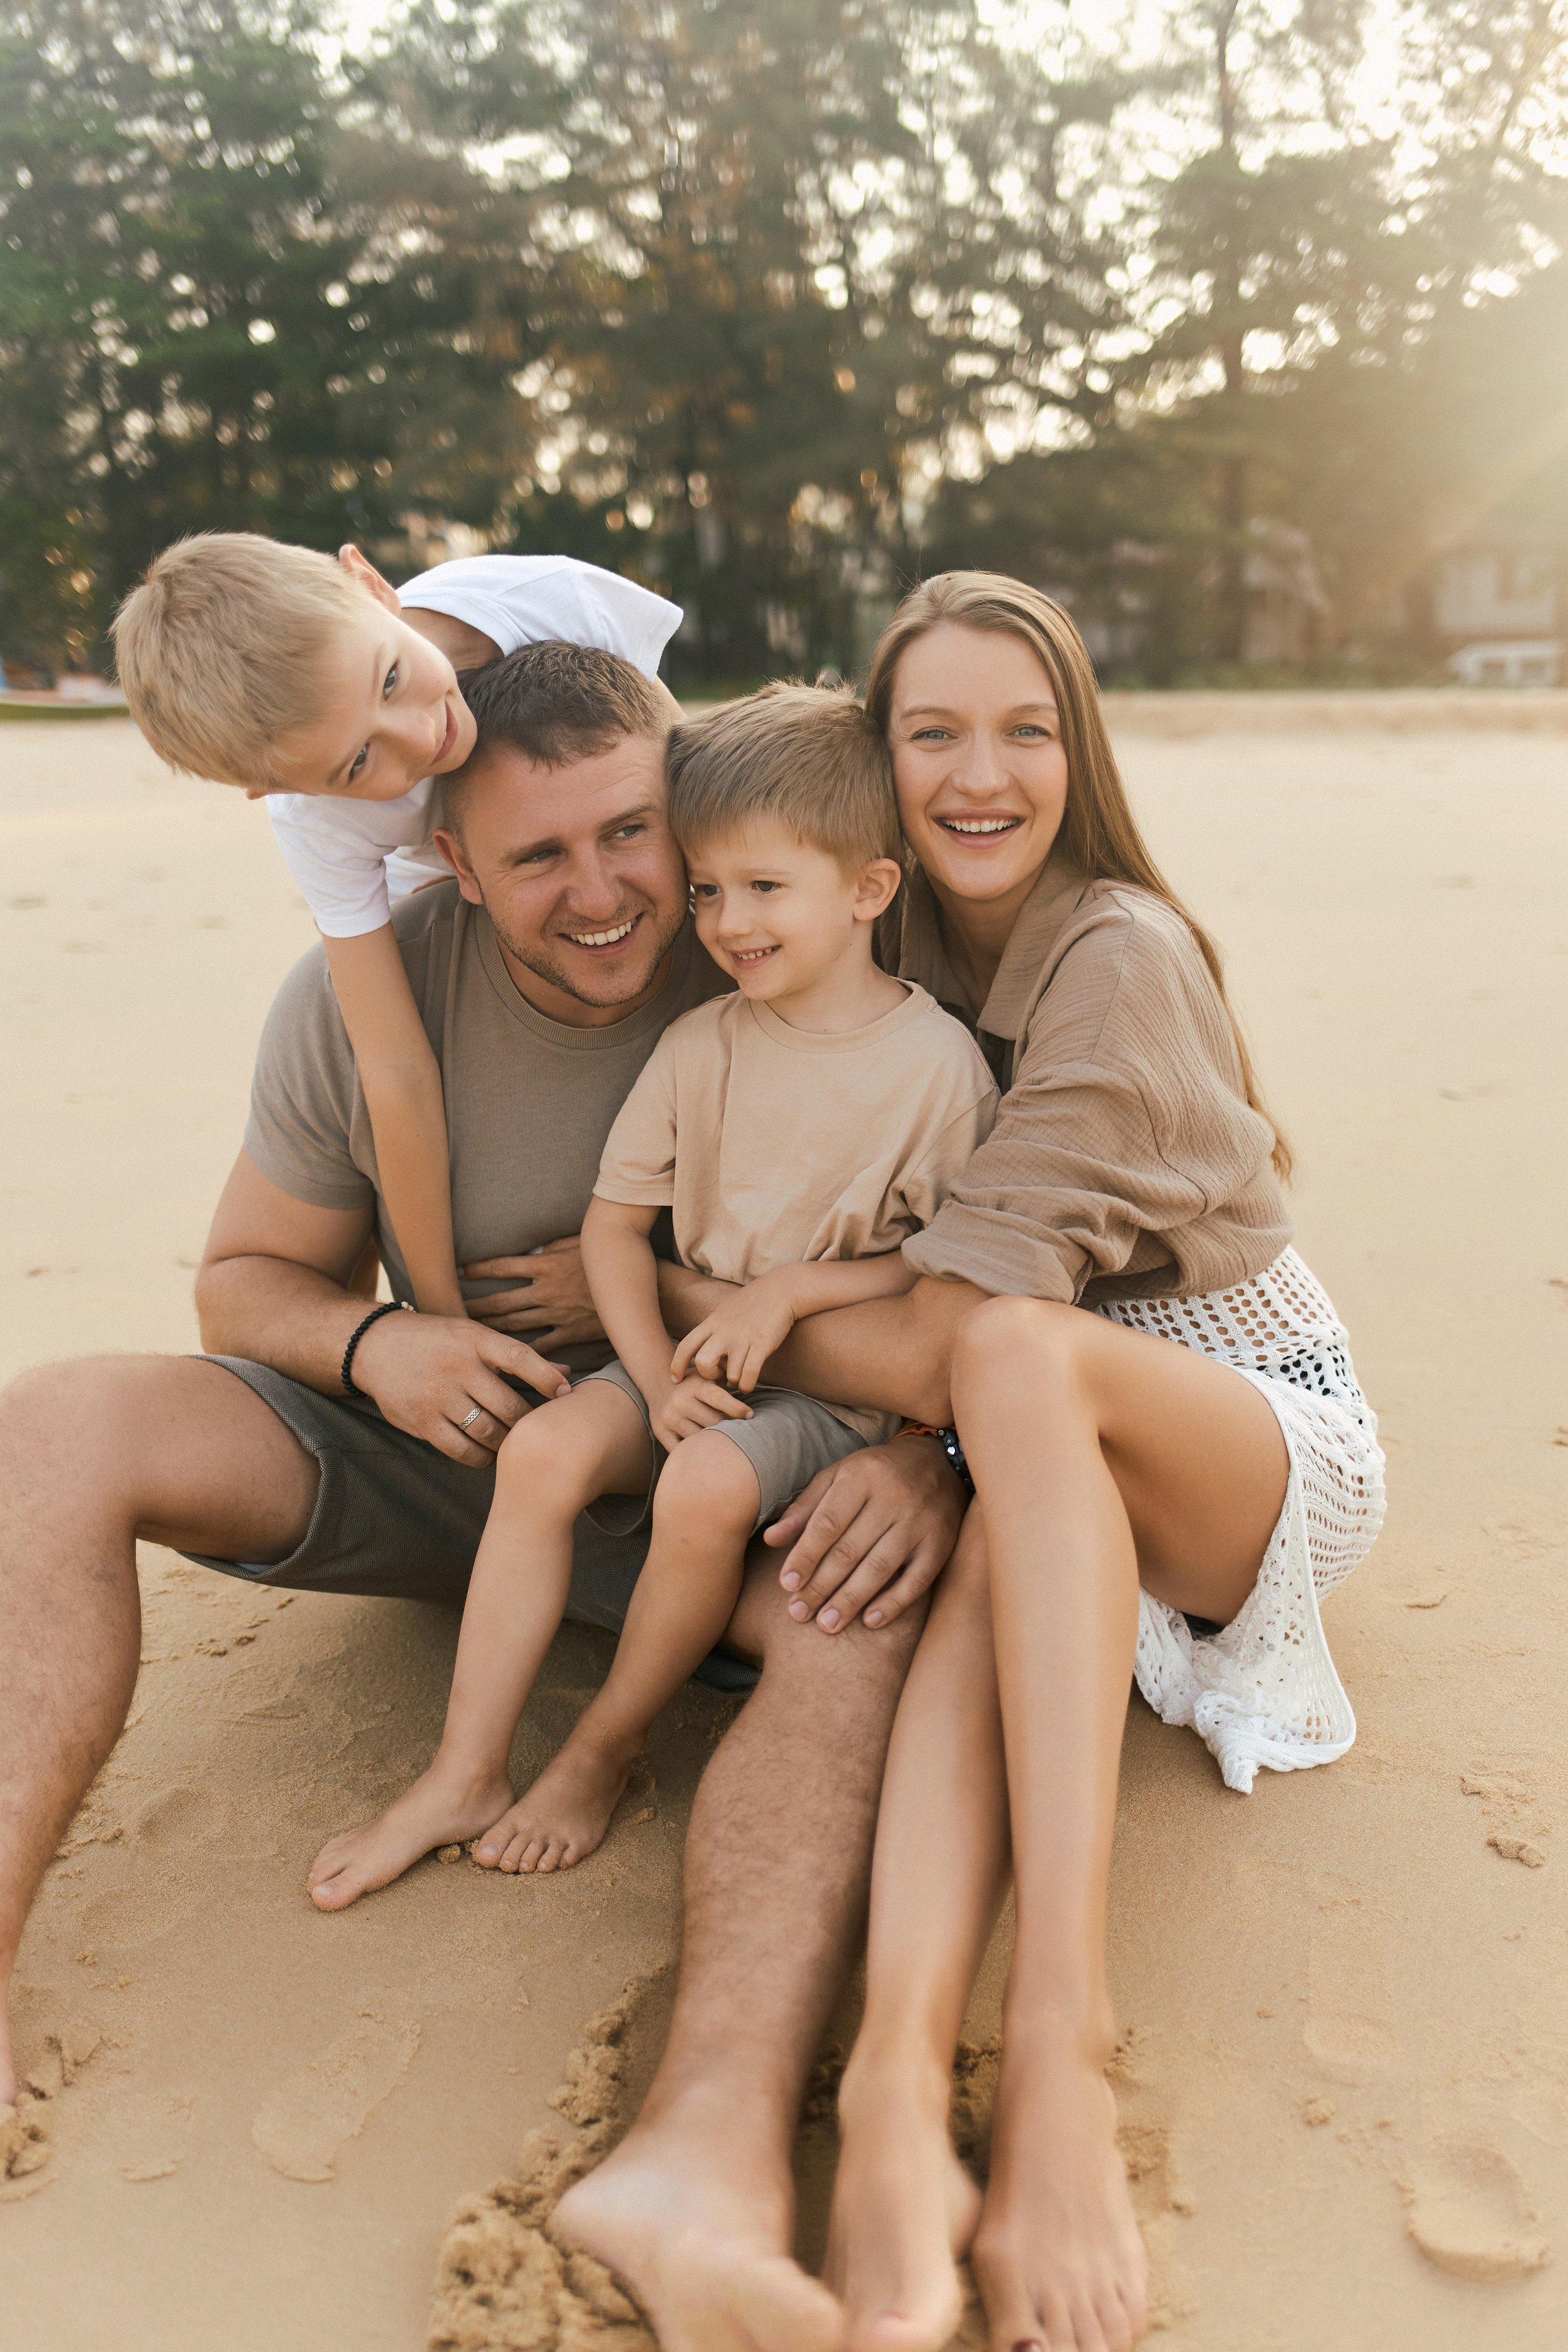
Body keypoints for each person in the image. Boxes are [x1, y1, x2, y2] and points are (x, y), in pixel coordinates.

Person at [0, 643, 968, 2352]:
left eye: (630, 835)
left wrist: (913, 1451)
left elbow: (995, 1271)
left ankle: (707, 2154)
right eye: (538, 857)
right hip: (446, 1463)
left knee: (862, 1608)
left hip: (729, 1483)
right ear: (453, 858)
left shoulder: (792, 932)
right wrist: (378, 1348)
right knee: (56, 1423)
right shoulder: (362, 1002)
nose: (605, 894)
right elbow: (241, 1284)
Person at [554, 576, 1385, 2352]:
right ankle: (891, 2097)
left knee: (1007, 1358)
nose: (979, 773)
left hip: (1245, 1420)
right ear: (883, 760)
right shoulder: (889, 935)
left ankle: (1066, 2050)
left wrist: (710, 1296)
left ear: (1077, 748)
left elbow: (964, 1330)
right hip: (1026, 1429)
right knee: (986, 1564)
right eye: (933, 732)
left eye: (1025, 728)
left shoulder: (1116, 955)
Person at [304, 684, 997, 1903]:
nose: (727, 922)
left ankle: (600, 1746)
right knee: (544, 1453)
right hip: (693, 1357)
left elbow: (945, 1257)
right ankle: (463, 1769)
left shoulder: (935, 1068)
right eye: (714, 888)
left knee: (701, 1484)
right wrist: (659, 1366)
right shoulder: (706, 1043)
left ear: (867, 891)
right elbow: (613, 1232)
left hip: (835, 1395)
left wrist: (792, 1290)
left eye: (764, 890)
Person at [112, 535, 680, 1321]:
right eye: (356, 763)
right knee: (378, 1100)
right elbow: (398, 1072)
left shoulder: (550, 602)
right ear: (275, 787)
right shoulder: (317, 819)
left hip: (565, 816)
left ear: (372, 586)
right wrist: (443, 1321)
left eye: (390, 678)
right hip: (447, 872)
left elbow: (680, 777)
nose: (420, 738)